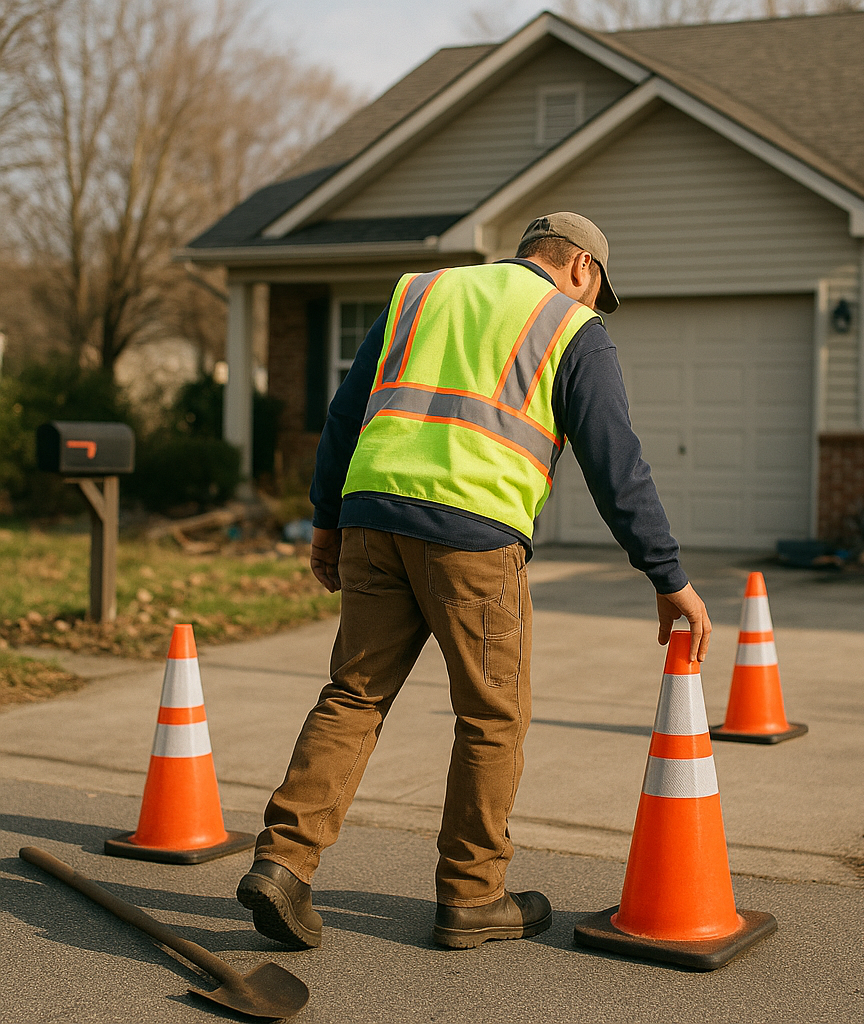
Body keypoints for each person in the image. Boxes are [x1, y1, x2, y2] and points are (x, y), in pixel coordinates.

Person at [236, 211, 712, 951]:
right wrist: (667, 573)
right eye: (594, 291)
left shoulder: (417, 294)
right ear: (582, 267)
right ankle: (471, 896)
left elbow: (343, 414)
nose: (591, 306)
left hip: (372, 517)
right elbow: (616, 463)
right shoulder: (570, 327)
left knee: (354, 693)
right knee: (493, 716)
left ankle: (283, 863)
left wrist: (325, 522)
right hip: (474, 536)